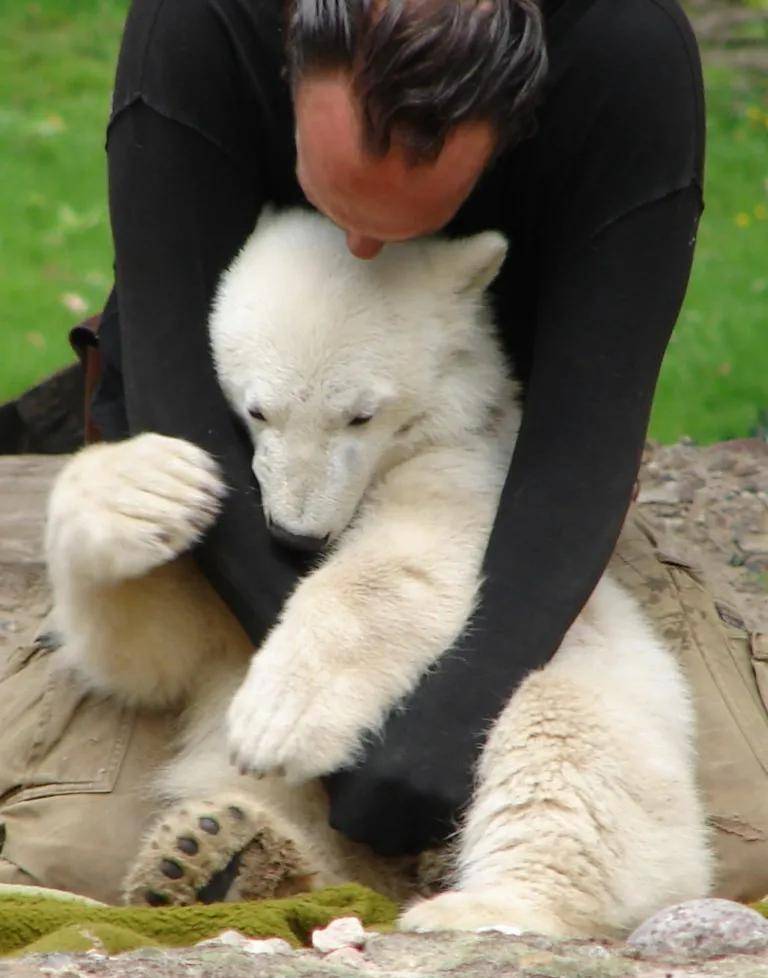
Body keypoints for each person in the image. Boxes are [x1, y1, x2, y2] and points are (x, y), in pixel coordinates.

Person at [1, 0, 767, 906]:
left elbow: (581, 452)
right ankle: (299, 865)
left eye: (406, 224)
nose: (360, 248)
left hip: (497, 499)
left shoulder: (622, 53)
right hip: (225, 515)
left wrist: (454, 714)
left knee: (729, 843)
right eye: (332, 202)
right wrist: (315, 680)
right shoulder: (202, 25)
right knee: (63, 864)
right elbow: (174, 406)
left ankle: (492, 910)